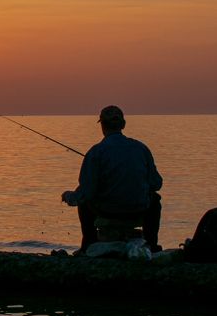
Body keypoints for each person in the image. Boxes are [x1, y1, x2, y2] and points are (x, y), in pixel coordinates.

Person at [61, 105, 162, 253]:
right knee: (155, 200)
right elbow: (156, 183)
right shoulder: (141, 148)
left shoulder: (96, 152)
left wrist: (68, 196)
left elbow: (86, 192)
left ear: (102, 125)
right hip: (138, 209)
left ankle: (88, 244)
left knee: (85, 203)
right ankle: (151, 245)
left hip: (108, 210)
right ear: (123, 124)